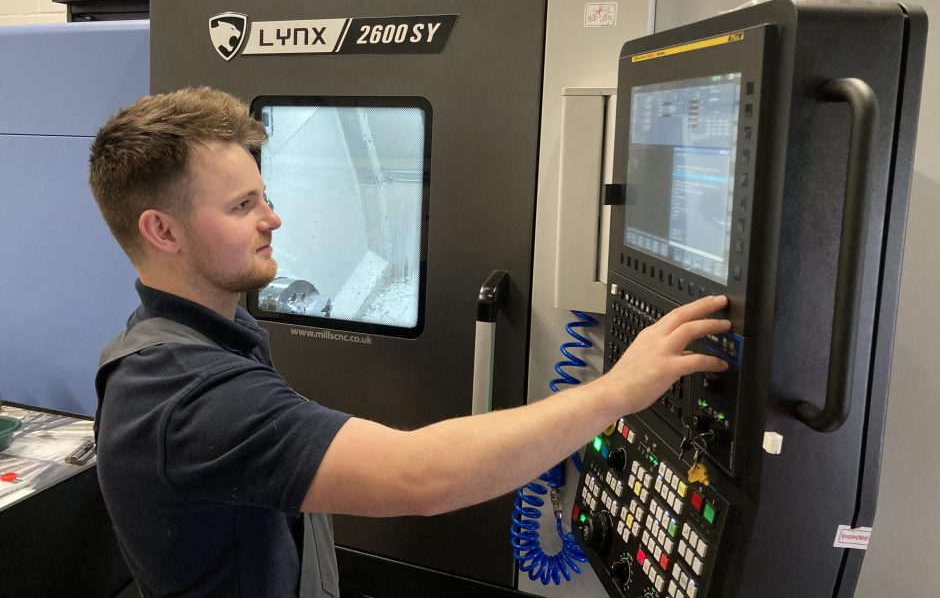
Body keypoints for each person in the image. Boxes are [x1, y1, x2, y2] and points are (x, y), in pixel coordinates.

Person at [88, 86, 730, 598]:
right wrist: (618, 390)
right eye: (241, 206)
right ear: (162, 231)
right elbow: (423, 476)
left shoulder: (193, 335)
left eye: (267, 194)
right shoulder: (186, 395)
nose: (273, 218)